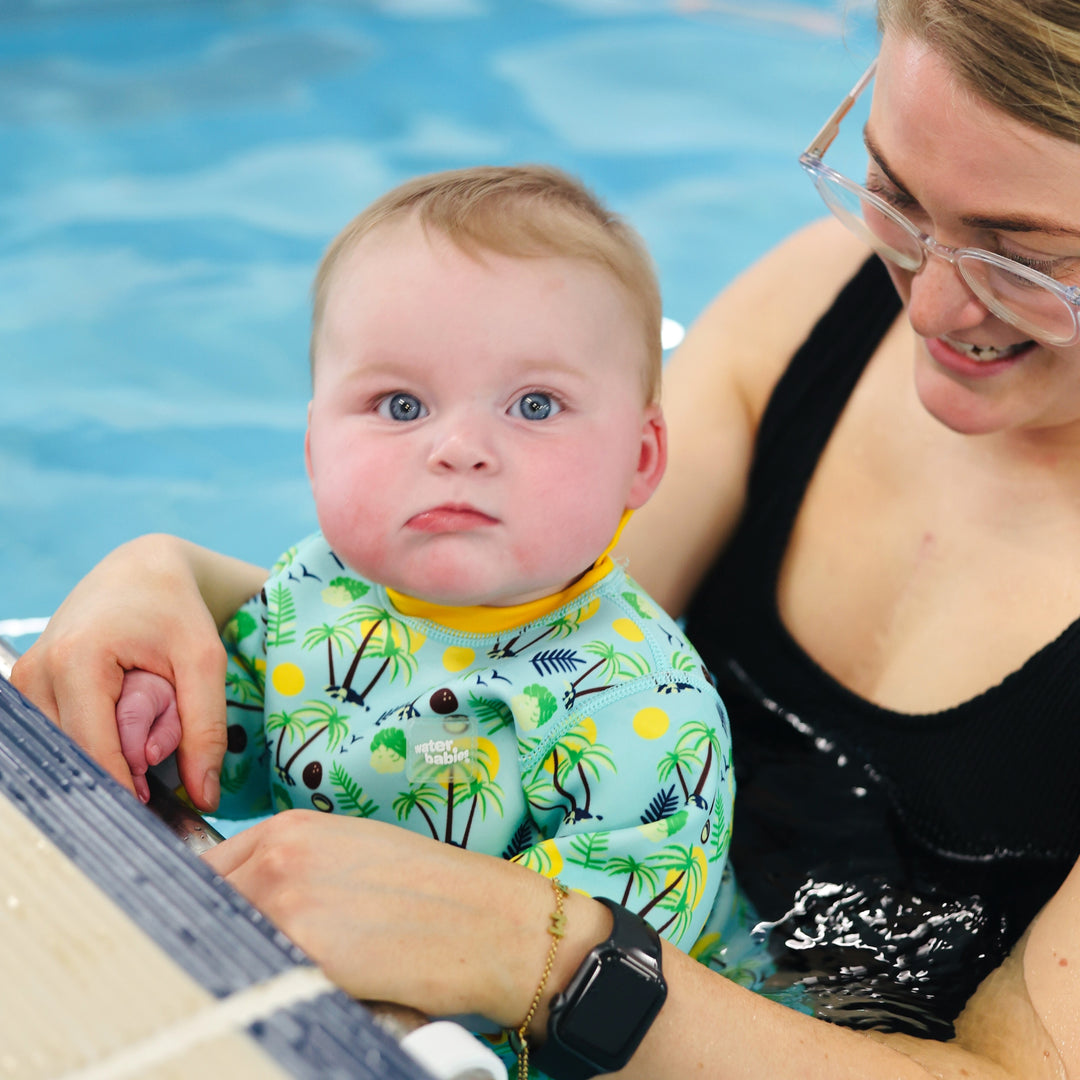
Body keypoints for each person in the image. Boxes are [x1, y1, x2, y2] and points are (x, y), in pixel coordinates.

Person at [12, 0, 1080, 1075]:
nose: (933, 305)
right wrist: (177, 585)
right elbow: (499, 626)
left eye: (1027, 256)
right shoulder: (814, 302)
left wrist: (540, 951)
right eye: (892, 194)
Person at [113, 166, 732, 977]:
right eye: (402, 405)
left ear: (640, 461)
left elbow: (589, 978)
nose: (458, 448)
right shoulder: (315, 591)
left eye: (534, 405)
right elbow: (223, 756)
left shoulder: (644, 711)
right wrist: (152, 721)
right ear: (312, 449)